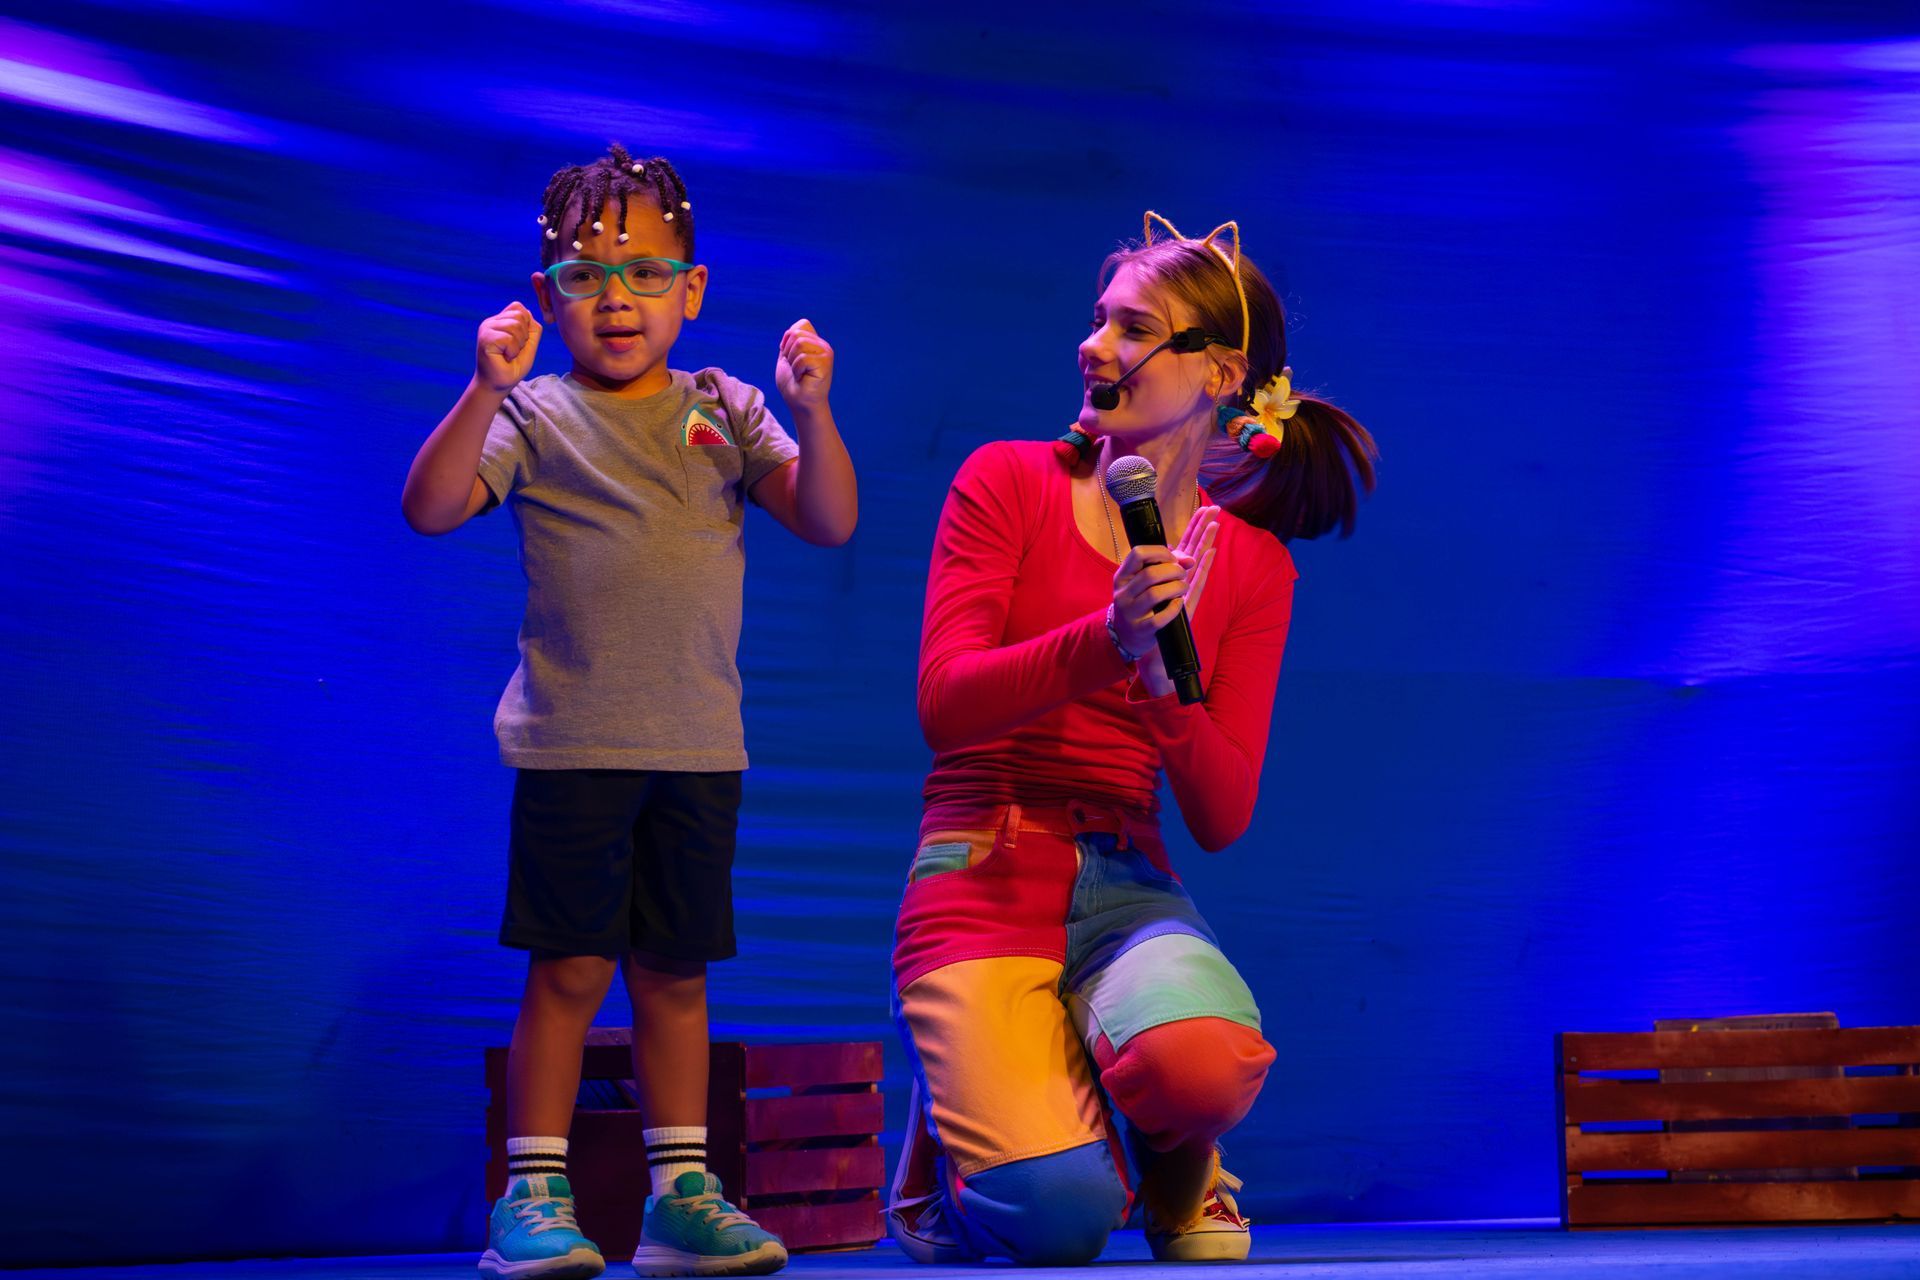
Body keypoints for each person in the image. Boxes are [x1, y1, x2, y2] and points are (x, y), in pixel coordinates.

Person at [401, 143, 857, 1280]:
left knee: (676, 969)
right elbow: (431, 506)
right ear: (549, 299)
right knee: (566, 966)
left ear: (693, 291)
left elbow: (828, 517)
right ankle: (534, 1192)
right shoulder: (539, 414)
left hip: (700, 750)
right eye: (585, 276)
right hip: (575, 747)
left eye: (647, 273)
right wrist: (484, 386)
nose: (617, 299)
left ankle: (680, 1193)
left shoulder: (729, 407)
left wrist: (815, 407)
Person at [887, 212, 1377, 1266]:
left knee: (1203, 1064)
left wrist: (1163, 685)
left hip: (1126, 881)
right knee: (1059, 1218)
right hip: (981, 867)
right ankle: (947, 1156)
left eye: (1132, 329)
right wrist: (1104, 640)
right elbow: (945, 701)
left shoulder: (1250, 563)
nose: (1094, 347)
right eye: (1097, 321)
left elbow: (1221, 811)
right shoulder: (1005, 481)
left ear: (1219, 372)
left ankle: (1173, 1164)